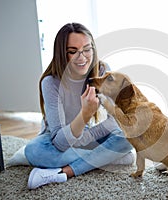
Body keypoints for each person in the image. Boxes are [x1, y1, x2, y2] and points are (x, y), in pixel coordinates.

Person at [25, 22, 134, 189]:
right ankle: (109, 157)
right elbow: (60, 142)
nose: (82, 57)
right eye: (72, 51)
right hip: (57, 139)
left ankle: (63, 173)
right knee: (33, 151)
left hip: (86, 134)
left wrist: (84, 137)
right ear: (62, 53)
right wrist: (85, 114)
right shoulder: (50, 83)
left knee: (127, 136)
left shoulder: (103, 71)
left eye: (87, 49)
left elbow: (116, 121)